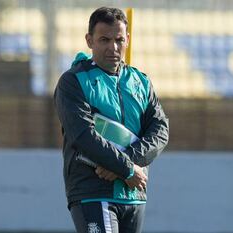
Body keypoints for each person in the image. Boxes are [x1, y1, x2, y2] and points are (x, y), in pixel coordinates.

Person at [54, 6, 169, 233]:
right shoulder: (73, 81)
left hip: (133, 192)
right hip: (93, 190)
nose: (113, 48)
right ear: (89, 40)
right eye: (104, 40)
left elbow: (160, 130)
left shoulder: (141, 81)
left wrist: (125, 165)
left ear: (127, 39)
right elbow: (82, 135)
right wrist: (126, 169)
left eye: (118, 40)